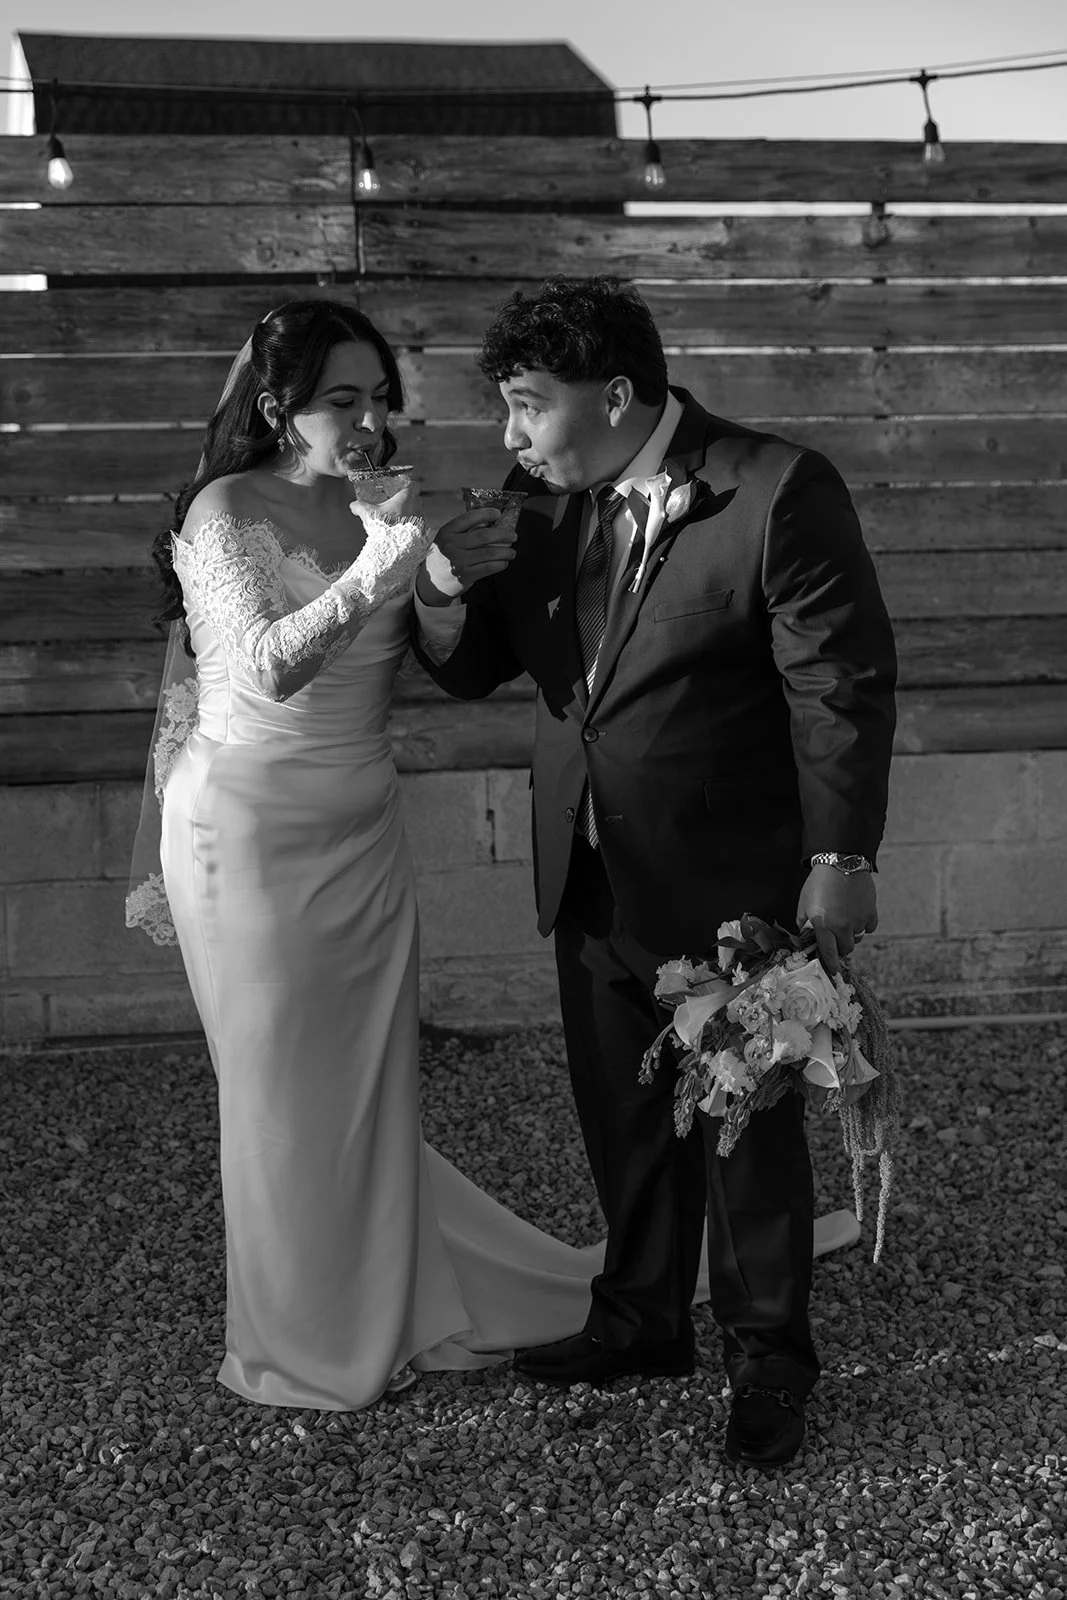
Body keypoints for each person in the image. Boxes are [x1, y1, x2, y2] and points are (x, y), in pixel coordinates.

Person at [412, 275, 897, 1467]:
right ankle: (639, 1319)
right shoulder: (533, 503)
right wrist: (438, 584)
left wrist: (838, 856)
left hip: (731, 882)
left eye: (527, 404)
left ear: (616, 394)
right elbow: (471, 668)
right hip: (584, 874)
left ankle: (767, 1356)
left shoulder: (775, 486)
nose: (510, 436)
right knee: (621, 1115)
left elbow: (836, 685)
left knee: (744, 1131)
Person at [125, 298, 610, 1411]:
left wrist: (439, 581)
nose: (368, 421)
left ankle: (388, 1309)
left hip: (363, 830)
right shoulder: (224, 510)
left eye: (379, 398)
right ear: (275, 409)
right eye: (341, 400)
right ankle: (296, 1346)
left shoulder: (383, 504)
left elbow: (428, 654)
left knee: (366, 1087)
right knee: (278, 1094)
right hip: (246, 838)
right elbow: (264, 667)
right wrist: (386, 557)